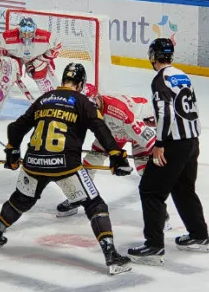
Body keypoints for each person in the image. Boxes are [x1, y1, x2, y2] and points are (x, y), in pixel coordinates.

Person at [0, 62, 134, 275]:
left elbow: (15, 128)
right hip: (65, 165)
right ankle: (112, 256)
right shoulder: (82, 101)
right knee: (94, 204)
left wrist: (12, 151)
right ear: (80, 84)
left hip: (33, 162)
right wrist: (117, 155)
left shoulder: (44, 98)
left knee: (21, 199)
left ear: (63, 80)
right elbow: (101, 129)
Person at [128, 38, 208, 264]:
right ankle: (199, 235)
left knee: (150, 191)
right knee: (183, 189)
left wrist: (159, 144)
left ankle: (154, 246)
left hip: (174, 143)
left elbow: (165, 114)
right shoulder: (183, 75)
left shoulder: (160, 80)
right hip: (192, 141)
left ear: (153, 56)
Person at [56, 84, 157, 216]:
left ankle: (158, 210)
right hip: (112, 131)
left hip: (138, 123)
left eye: (93, 104)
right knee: (90, 161)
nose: (90, 110)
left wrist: (157, 150)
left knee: (144, 168)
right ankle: (77, 196)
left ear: (97, 97)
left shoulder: (118, 112)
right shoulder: (84, 109)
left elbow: (145, 136)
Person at [0, 16, 61, 119]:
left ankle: (57, 106)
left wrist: (42, 59)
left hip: (36, 58)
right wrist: (11, 66)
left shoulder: (46, 37)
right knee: (7, 72)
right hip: (16, 57)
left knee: (41, 72)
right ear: (20, 31)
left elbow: (57, 45)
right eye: (24, 33)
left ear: (35, 31)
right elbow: (2, 49)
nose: (27, 36)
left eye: (29, 33)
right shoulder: (8, 37)